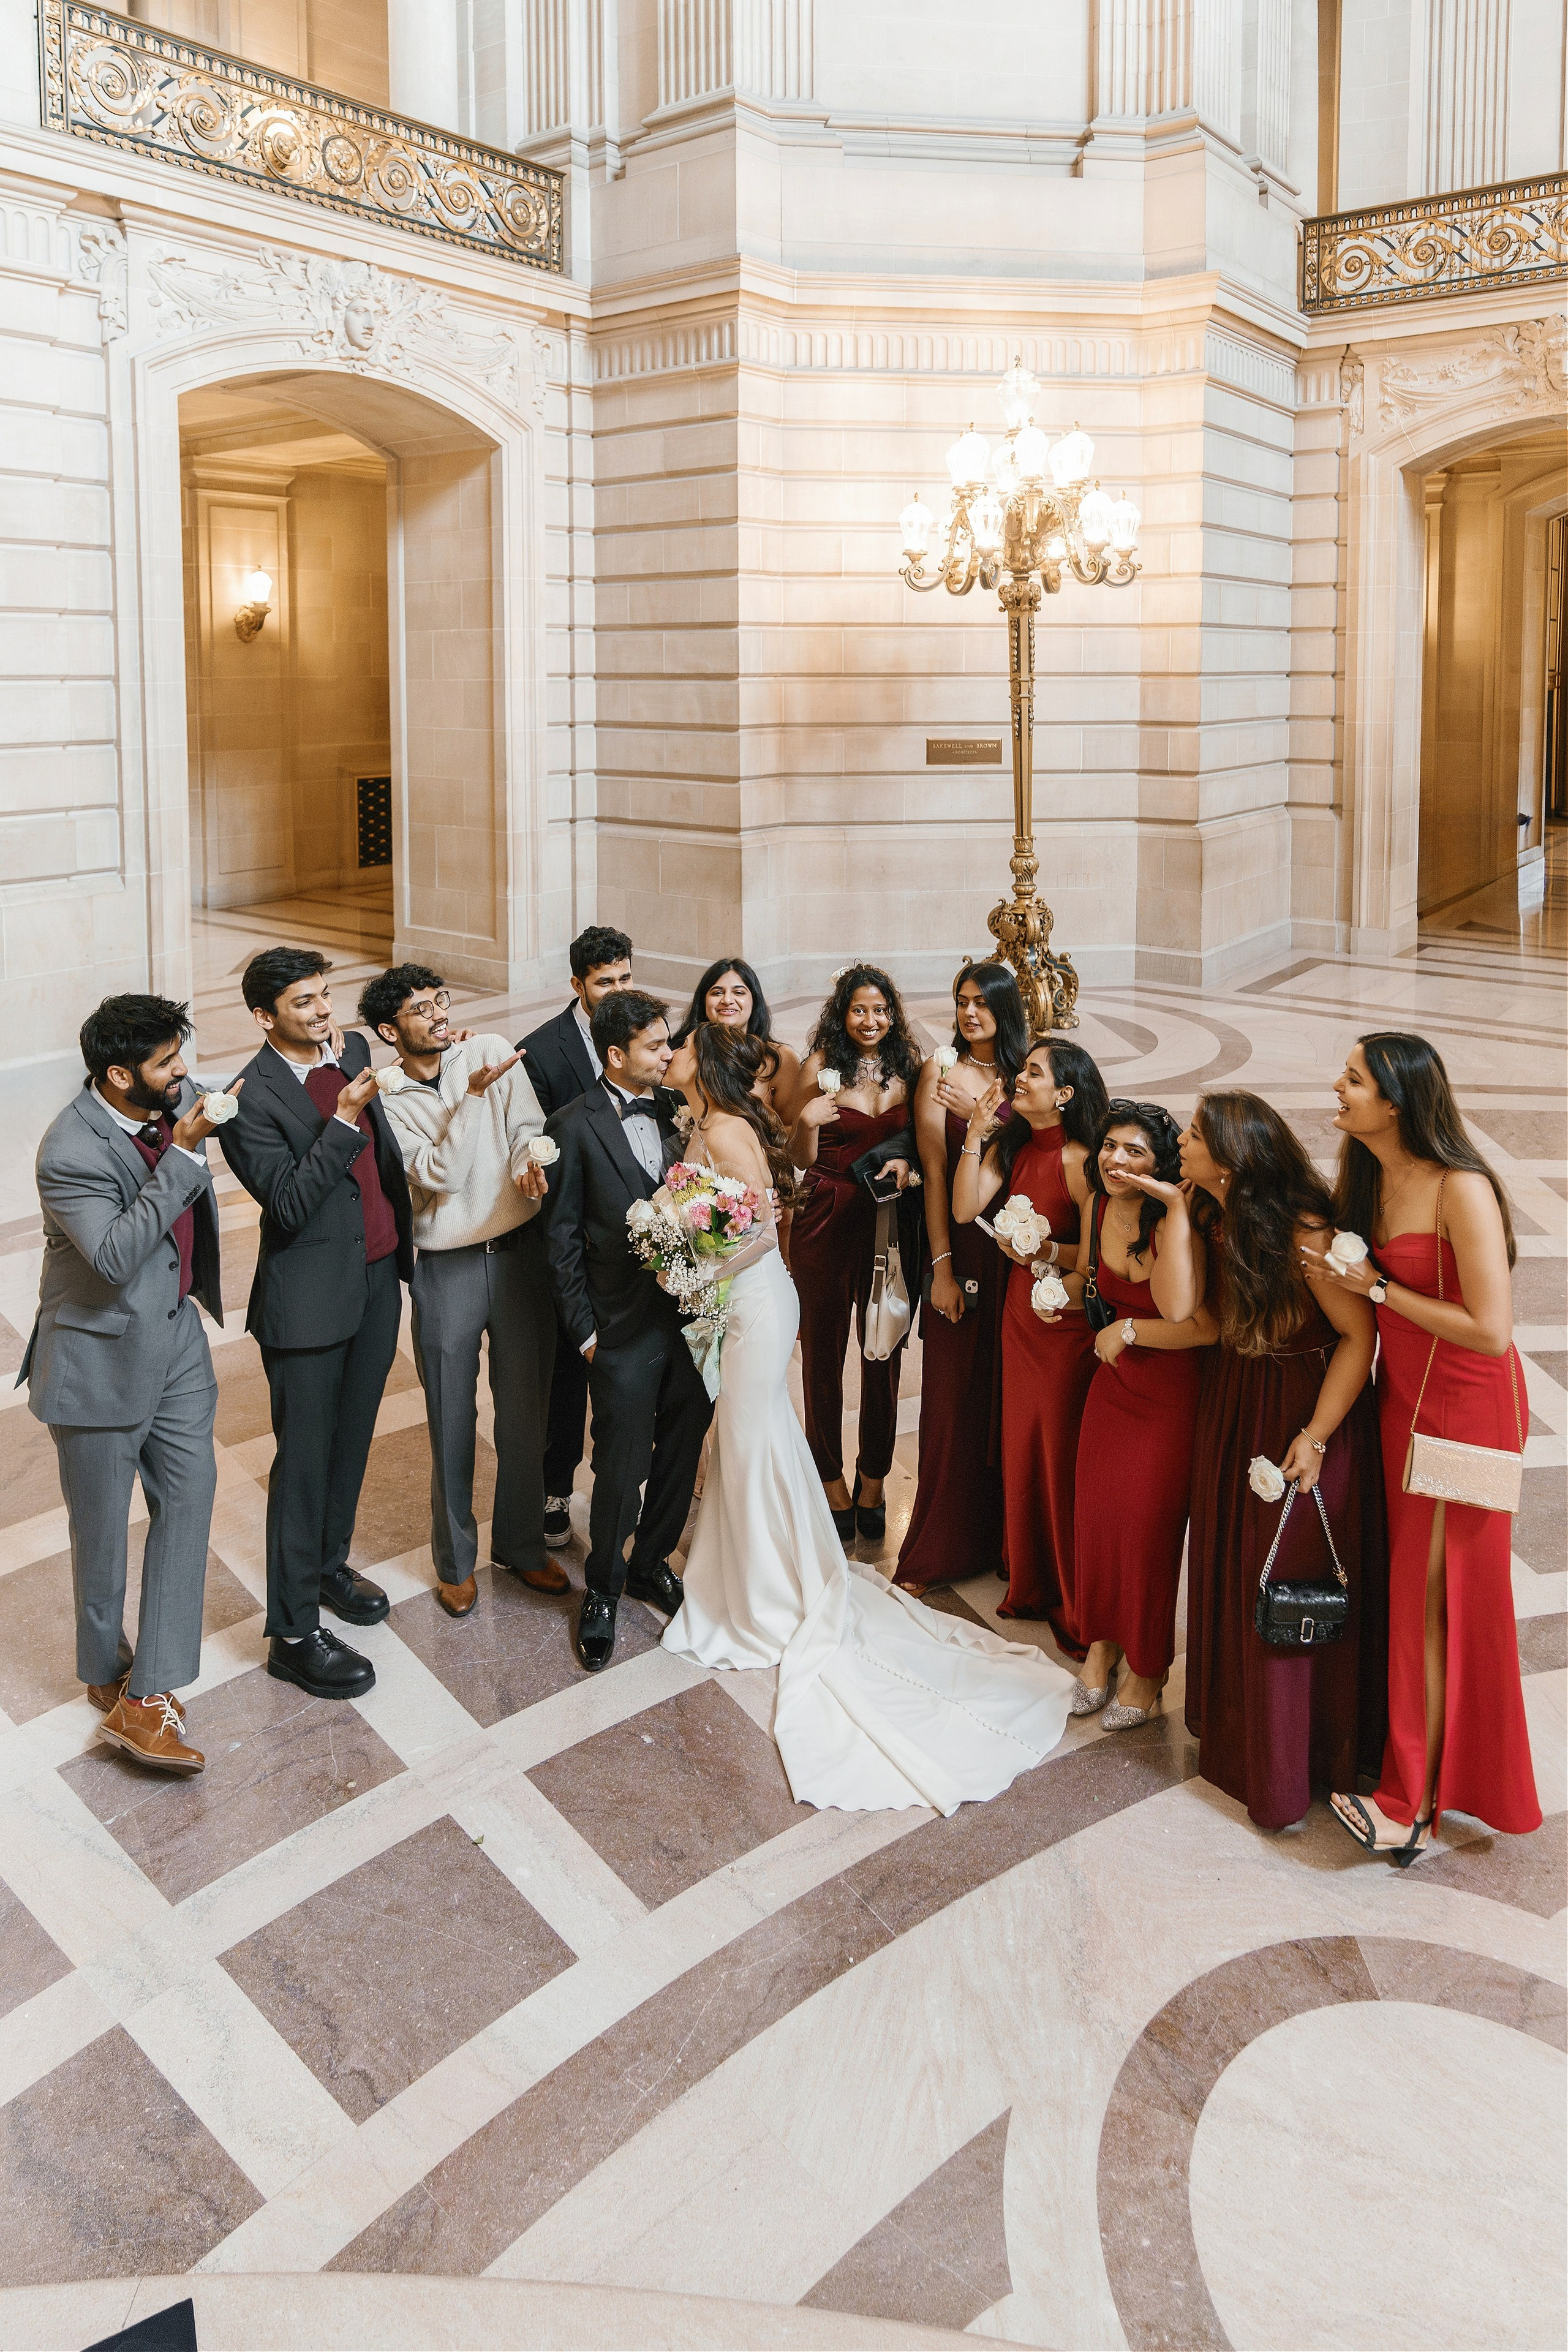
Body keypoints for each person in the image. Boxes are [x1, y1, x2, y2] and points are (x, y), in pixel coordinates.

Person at [660, 1023, 1078, 1814]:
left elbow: (754, 1236)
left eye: (680, 1045)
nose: (672, 1051)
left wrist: (689, 1261)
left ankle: (759, 1596)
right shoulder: (704, 1123)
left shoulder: (723, 1129)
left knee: (748, 1438)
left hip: (752, 1298)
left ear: (700, 1064)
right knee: (754, 1439)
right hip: (735, 1302)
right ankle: (754, 1577)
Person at [1310, 1032, 1540, 1860]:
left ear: (1398, 1100)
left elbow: (1490, 1330)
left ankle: (1407, 1803)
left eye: (1354, 1078)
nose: (1337, 1087)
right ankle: (1429, 1776)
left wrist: (1377, 1288)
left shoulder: (1461, 1189)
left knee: (1427, 1602)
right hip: (1402, 1402)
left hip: (1463, 1412)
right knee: (1417, 1599)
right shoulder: (1369, 1178)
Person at [20, 995, 227, 1774]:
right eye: (167, 1062)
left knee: (190, 1498)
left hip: (175, 1344)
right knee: (102, 1536)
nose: (184, 1072)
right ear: (117, 1076)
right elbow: (112, 1257)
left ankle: (150, 1701)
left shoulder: (168, 1101)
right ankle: (104, 1669)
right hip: (98, 1364)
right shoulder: (67, 1151)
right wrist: (185, 1155)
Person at [1180, 1091, 1386, 1830]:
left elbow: (1358, 1340)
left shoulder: (1305, 1233)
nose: (1181, 1140)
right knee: (1238, 1565)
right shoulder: (1216, 1214)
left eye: (1195, 1134)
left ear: (1233, 1156)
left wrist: (1317, 1435)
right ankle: (1240, 1741)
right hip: (1236, 1398)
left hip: (1300, 1406)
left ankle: (1291, 1767)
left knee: (1285, 1574)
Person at [221, 947, 413, 1702]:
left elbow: (386, 1160)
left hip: (375, 1278)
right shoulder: (249, 1098)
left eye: (325, 997)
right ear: (266, 1016)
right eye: (304, 1003)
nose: (324, 1013)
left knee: (352, 1439)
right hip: (305, 1302)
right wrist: (342, 1120)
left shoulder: (356, 1049)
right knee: (302, 1465)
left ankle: (328, 1566)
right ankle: (293, 1634)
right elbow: (290, 1205)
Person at [361, 965, 560, 1619]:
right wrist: (471, 1099)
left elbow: (528, 1125)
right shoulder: (386, 1101)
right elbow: (436, 1175)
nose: (440, 1015)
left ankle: (523, 1545)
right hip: (445, 1265)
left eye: (442, 1001)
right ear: (392, 1031)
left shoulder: (491, 1051)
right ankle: (455, 1563)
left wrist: (530, 1161)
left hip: (518, 1255)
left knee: (525, 1413)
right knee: (451, 1417)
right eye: (422, 1009)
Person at [538, 989, 712, 1672]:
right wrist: (586, 1334)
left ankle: (652, 1563)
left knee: (680, 1451)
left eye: (669, 1042)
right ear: (616, 1055)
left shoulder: (680, 1111)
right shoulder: (571, 1125)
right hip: (618, 1328)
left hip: (691, 1319)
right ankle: (604, 1586)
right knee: (618, 1467)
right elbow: (561, 1243)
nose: (668, 1054)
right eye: (655, 1045)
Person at [943, 1038, 1110, 1646]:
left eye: (1032, 1073)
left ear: (1063, 1094)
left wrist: (1041, 1251)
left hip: (1062, 1324)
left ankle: (1066, 1583)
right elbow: (965, 1209)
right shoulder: (1012, 1147)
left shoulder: (1083, 1161)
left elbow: (1094, 1262)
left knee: (1057, 1448)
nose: (1019, 1079)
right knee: (1023, 1442)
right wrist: (975, 1132)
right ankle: (1029, 1573)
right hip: (1020, 1315)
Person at [1071, 1102, 1210, 1727]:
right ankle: (1100, 1645)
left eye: (1134, 1152)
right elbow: (1085, 1277)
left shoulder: (1179, 1221)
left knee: (1147, 1533)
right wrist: (1048, 1280)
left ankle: (1149, 1665)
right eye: (1109, 1146)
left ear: (1162, 1167)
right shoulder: (1096, 1202)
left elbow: (1197, 1324)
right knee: (1098, 1520)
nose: (1115, 1160)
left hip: (1169, 1394)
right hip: (1111, 1386)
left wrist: (1127, 1330)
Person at [895, 962, 1028, 1593]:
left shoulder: (1027, 1073)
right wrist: (940, 1267)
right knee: (951, 1403)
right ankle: (938, 1548)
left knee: (1013, 1402)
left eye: (982, 1002)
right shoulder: (939, 1072)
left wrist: (990, 1119)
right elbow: (934, 1172)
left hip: (1023, 1255)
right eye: (962, 1001)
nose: (970, 1012)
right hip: (963, 1252)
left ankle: (1012, 1546)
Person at [788, 965, 922, 1544]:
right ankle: (830, 1479)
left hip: (887, 1220)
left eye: (880, 1010)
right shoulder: (820, 1067)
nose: (871, 1021)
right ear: (842, 1014)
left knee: (883, 1349)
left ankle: (874, 1477)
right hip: (825, 1216)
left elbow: (923, 1137)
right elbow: (796, 1152)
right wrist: (803, 1120)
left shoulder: (911, 1071)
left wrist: (911, 1166)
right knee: (822, 1352)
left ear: (892, 1014)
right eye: (859, 1010)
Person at [516, 925, 636, 1550]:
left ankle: (621, 1483)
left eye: (624, 978)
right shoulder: (540, 1052)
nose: (616, 992)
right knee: (565, 1375)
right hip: (566, 1239)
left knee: (625, 1374)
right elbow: (529, 1147)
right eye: (603, 982)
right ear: (577, 986)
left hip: (631, 1243)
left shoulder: (642, 1036)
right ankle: (553, 1487)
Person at [671, 957, 801, 1113]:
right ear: (703, 1001)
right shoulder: (681, 1053)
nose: (727, 1000)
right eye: (717, 993)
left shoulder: (779, 1059)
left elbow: (792, 1127)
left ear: (754, 1001)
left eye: (739, 992)